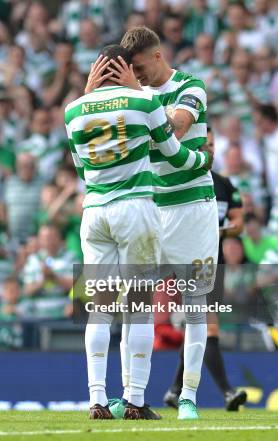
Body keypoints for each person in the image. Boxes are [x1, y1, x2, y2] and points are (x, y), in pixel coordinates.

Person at [68, 44, 211, 420]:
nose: (139, 73)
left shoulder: (73, 110)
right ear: (123, 69)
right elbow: (176, 149)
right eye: (131, 68)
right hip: (141, 208)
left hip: (110, 209)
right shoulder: (141, 101)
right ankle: (133, 399)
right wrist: (205, 158)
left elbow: (82, 170)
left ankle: (108, 399)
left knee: (105, 307)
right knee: (139, 305)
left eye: (141, 66)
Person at [163, 127, 248, 411]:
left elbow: (239, 223)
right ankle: (227, 392)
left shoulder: (224, 184)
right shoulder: (183, 181)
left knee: (196, 328)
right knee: (208, 328)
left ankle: (176, 390)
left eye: (212, 144)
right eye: (204, 143)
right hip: (191, 261)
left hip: (216, 261)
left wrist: (221, 230)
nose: (208, 147)